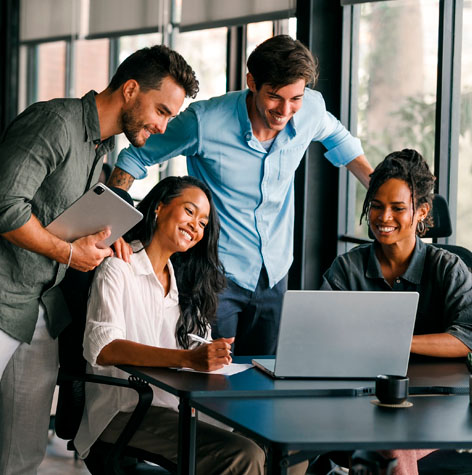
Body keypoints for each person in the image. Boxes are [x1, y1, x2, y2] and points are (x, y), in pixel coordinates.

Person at [0, 45, 199, 474]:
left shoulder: (98, 147)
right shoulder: (53, 122)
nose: (162, 126)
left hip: (41, 305)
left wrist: (112, 239)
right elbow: (3, 207)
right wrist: (70, 253)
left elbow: (62, 217)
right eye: (161, 110)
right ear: (129, 90)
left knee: (25, 452)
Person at [108, 35, 373, 355]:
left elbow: (339, 140)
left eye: (295, 99)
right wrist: (113, 225)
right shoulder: (204, 122)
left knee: (263, 380)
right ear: (252, 81)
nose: (285, 110)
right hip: (214, 275)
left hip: (275, 273)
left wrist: (378, 190)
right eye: (275, 97)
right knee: (209, 380)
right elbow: (134, 158)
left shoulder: (310, 109)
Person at [320, 149, 472, 475]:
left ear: (421, 212)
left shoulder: (449, 268)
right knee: (390, 441)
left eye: (397, 208)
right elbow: (319, 337)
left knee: (393, 444)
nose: (384, 217)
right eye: (376, 206)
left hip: (439, 407)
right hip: (362, 405)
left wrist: (398, 342)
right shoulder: (347, 269)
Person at [75, 176, 266, 473]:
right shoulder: (118, 268)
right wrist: (188, 359)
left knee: (277, 442)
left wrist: (212, 358)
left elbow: (197, 356)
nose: (196, 226)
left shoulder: (187, 288)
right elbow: (103, 348)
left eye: (203, 223)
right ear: (159, 208)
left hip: (178, 408)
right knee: (244, 454)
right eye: (190, 212)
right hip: (126, 411)